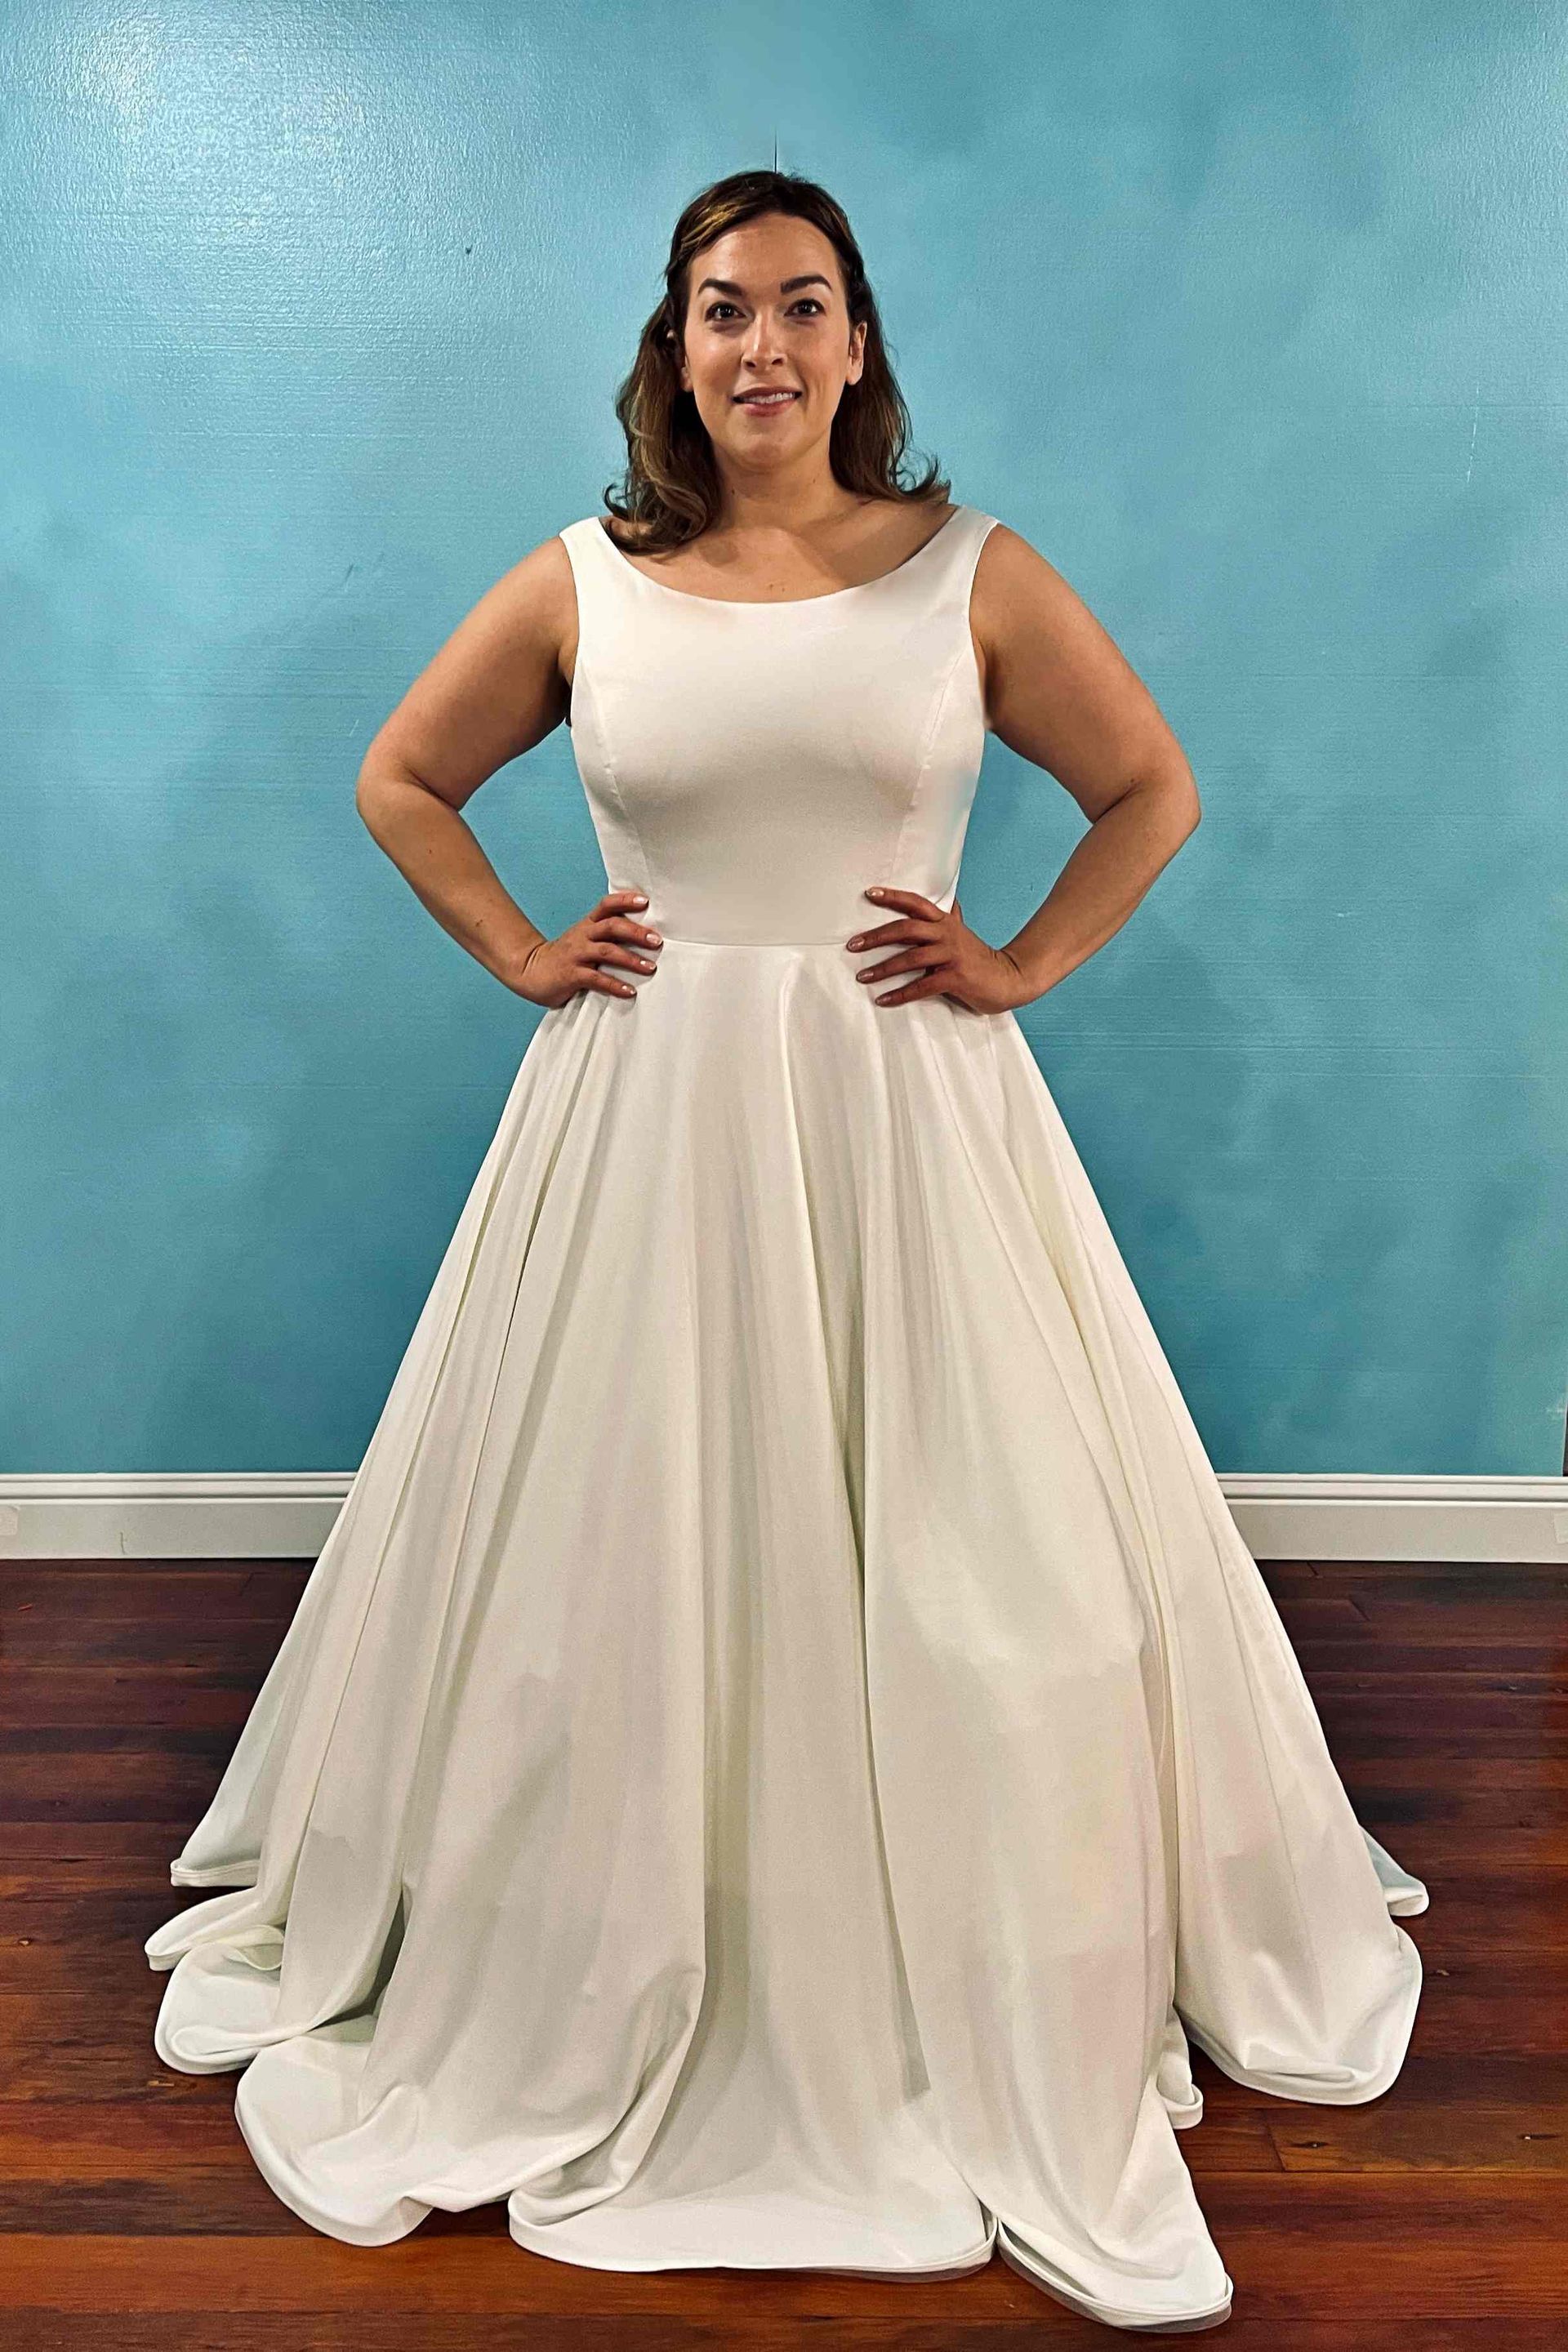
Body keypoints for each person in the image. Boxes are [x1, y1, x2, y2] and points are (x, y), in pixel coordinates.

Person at [145, 167, 1427, 2334]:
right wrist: (518, 949)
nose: (760, 346)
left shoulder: (969, 574)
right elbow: (402, 780)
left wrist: (1016, 961)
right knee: (611, 1560)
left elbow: (1150, 790)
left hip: (905, 1121)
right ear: (676, 344)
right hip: (640, 1121)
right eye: (721, 308)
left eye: (801, 307)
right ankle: (602, 1930)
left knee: (962, 1550)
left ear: (857, 345)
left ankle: (948, 1936)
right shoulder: (587, 581)